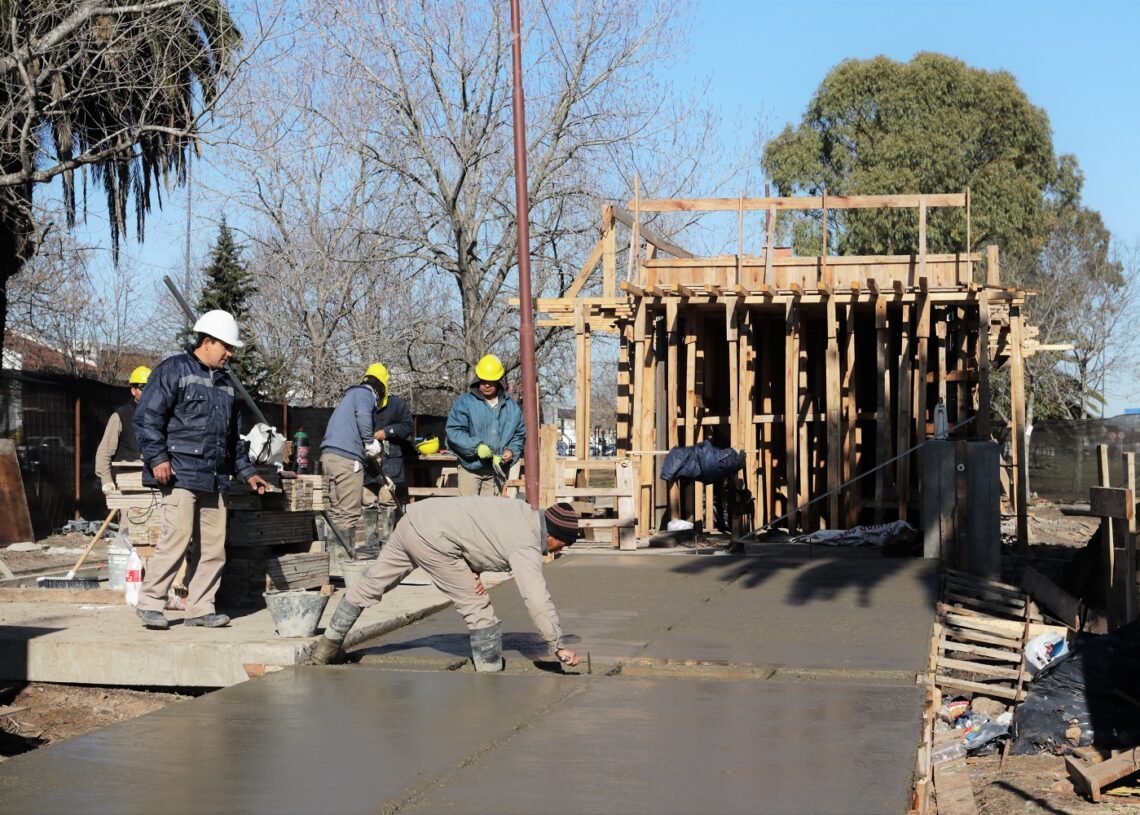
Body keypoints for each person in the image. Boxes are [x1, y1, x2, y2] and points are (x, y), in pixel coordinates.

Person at [308, 497, 582, 670]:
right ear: (553, 536)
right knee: (478, 607)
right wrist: (556, 644)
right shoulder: (526, 544)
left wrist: (473, 568)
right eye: (563, 545)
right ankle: (490, 676)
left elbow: (479, 531)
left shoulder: (520, 511)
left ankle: (326, 648)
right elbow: (536, 598)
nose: (557, 552)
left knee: (371, 585)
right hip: (434, 539)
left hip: (414, 520)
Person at [133, 310, 269, 630]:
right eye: (226, 346)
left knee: (213, 548)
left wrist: (248, 472)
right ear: (207, 342)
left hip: (216, 476)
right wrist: (157, 458)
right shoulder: (173, 370)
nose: (230, 353)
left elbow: (234, 439)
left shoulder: (227, 384)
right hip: (180, 472)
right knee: (176, 539)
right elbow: (147, 418)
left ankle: (200, 608)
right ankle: (151, 602)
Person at [320, 364, 389, 554]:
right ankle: (341, 562)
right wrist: (369, 442)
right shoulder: (365, 395)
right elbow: (364, 415)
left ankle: (333, 561)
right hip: (347, 460)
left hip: (329, 456)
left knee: (335, 512)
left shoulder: (350, 396)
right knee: (349, 513)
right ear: (381, 387)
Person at [445, 354, 526, 496]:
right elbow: (454, 431)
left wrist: (511, 450)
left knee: (489, 513)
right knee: (470, 512)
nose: (487, 385)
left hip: (496, 470)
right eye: (483, 381)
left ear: (499, 381)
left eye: (491, 381)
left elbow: (519, 434)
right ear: (478, 379)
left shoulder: (512, 408)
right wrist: (476, 447)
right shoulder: (465, 403)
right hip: (470, 468)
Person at [361, 363, 413, 520]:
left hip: (390, 460)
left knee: (387, 499)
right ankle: (371, 542)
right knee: (367, 499)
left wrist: (387, 432)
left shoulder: (397, 405)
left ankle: (388, 540)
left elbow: (407, 425)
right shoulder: (363, 403)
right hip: (368, 461)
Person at [95, 365, 151, 496]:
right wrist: (107, 480)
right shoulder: (120, 416)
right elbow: (104, 452)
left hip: (155, 482)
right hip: (127, 483)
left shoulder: (161, 415)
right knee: (130, 516)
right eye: (143, 389)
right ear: (133, 390)